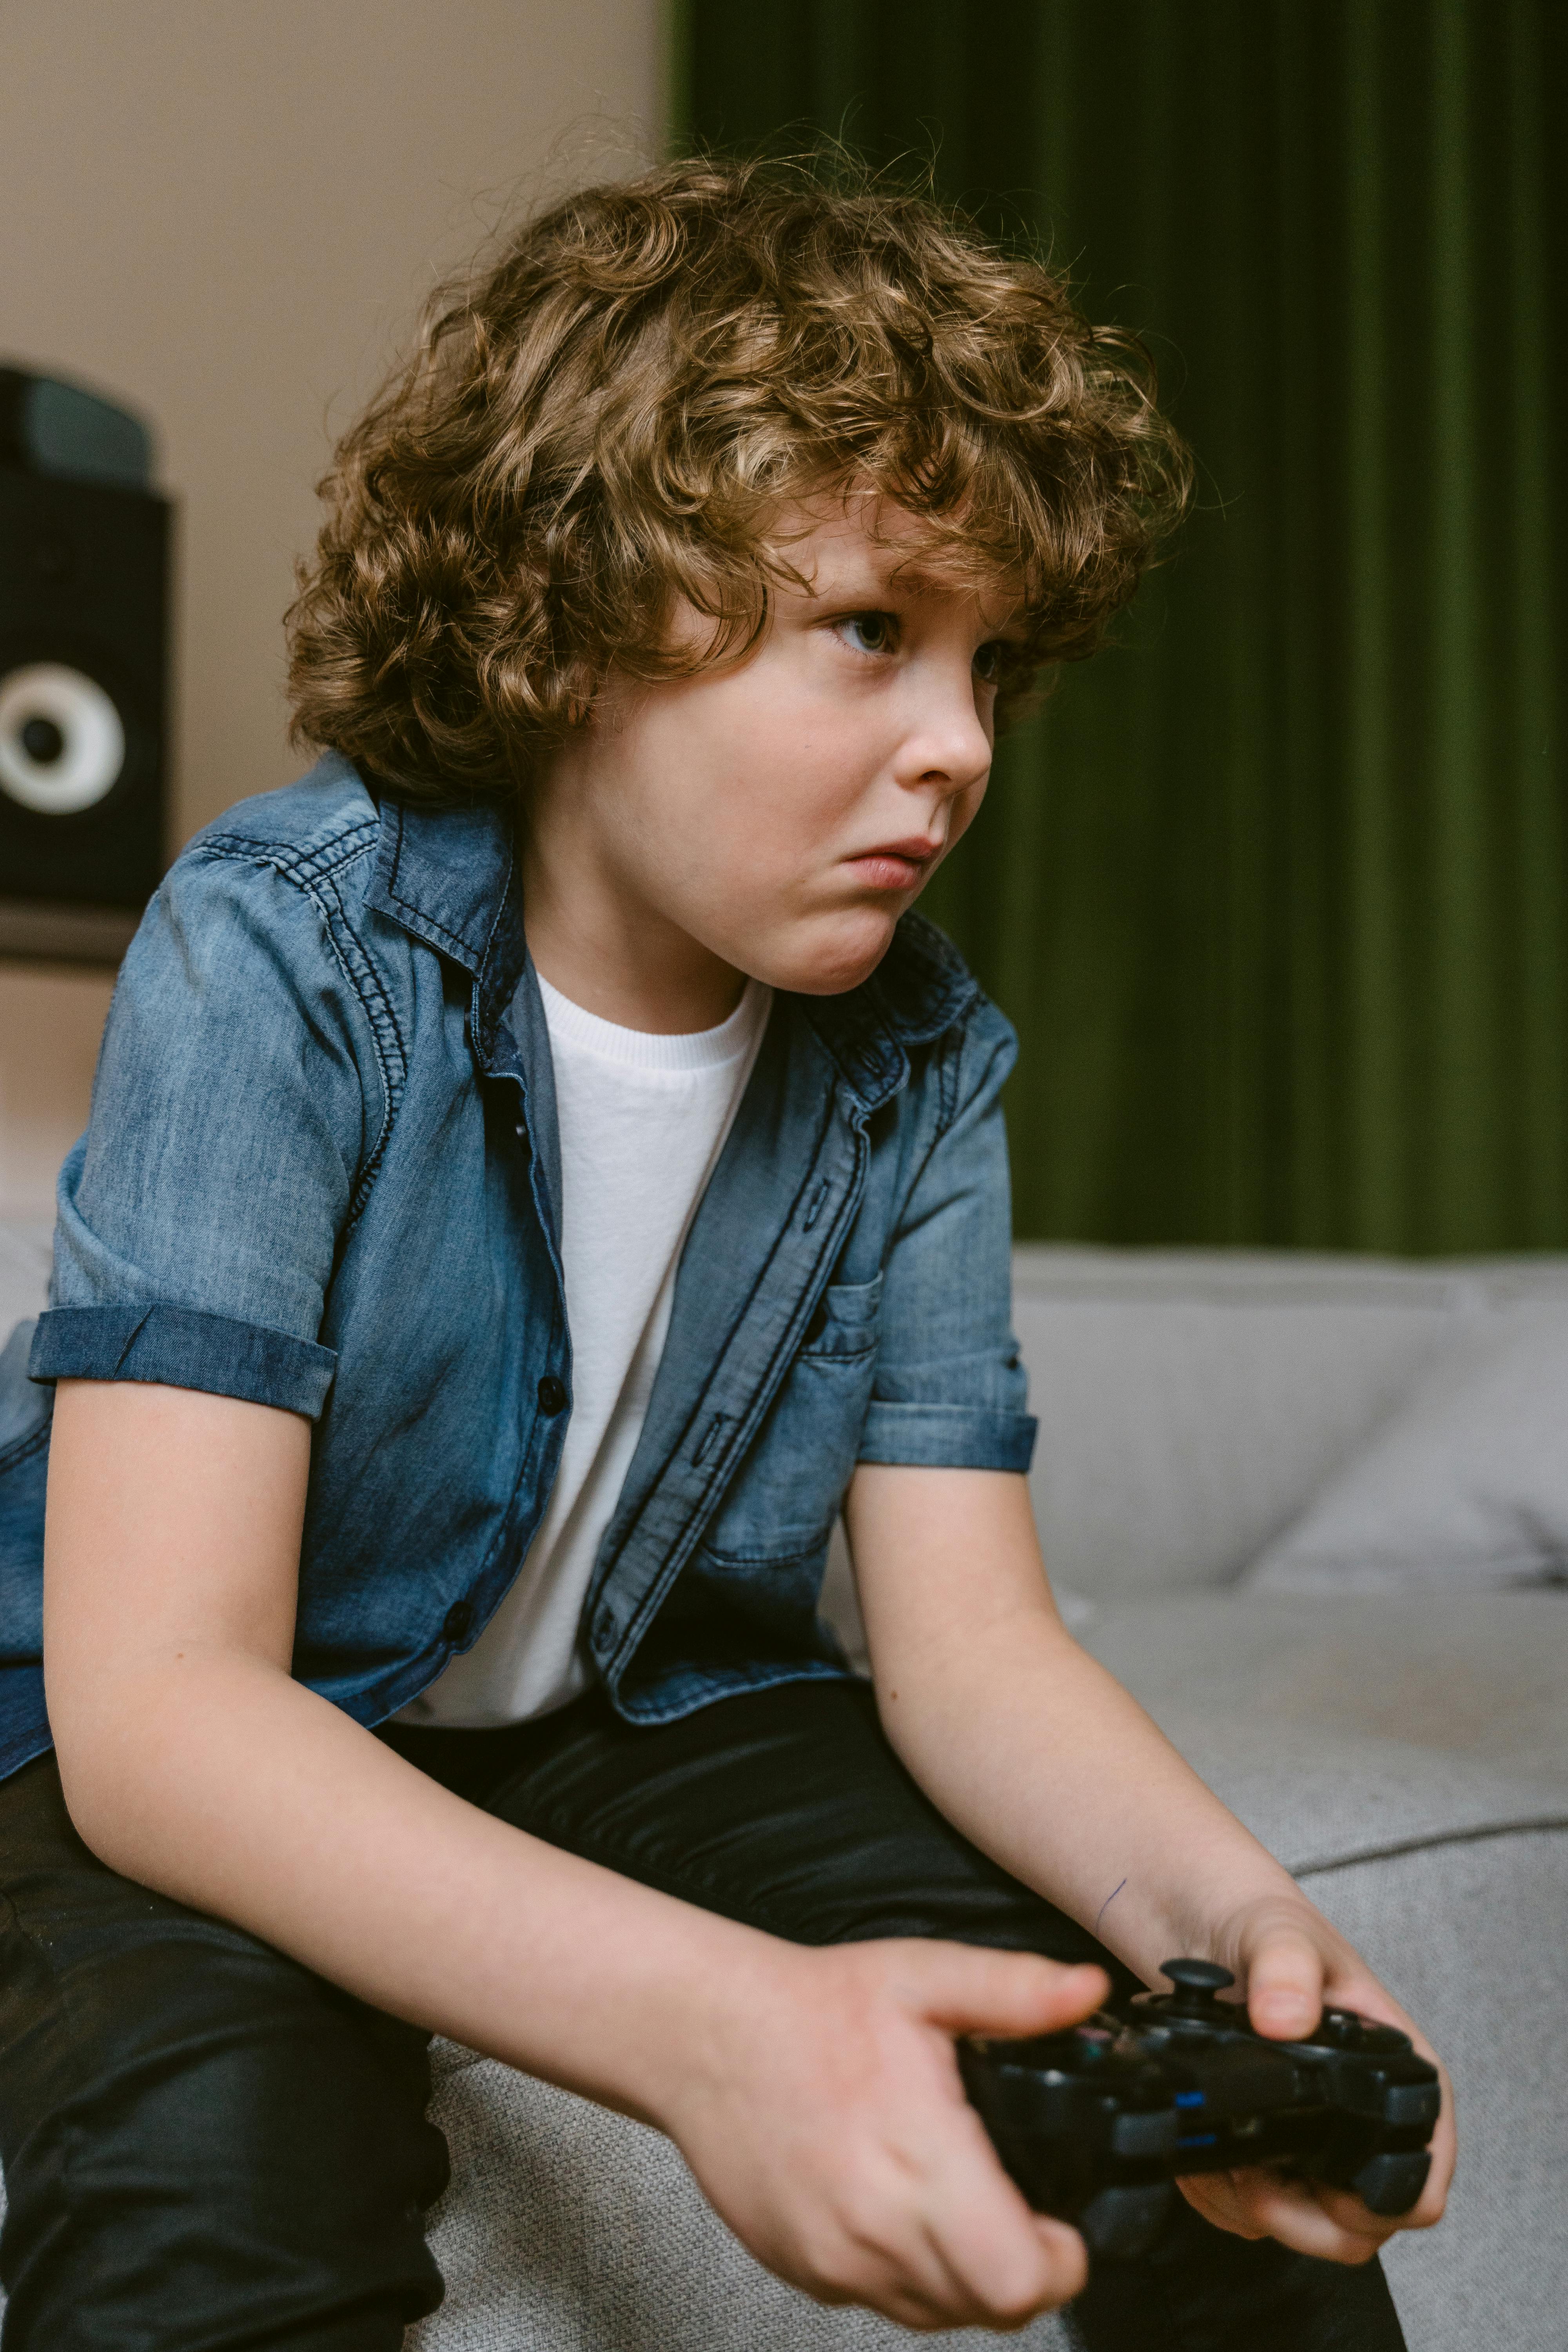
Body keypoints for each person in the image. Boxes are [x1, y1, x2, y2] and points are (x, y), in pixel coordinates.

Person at [0, 156, 1451, 2348]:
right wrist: (714, 2025)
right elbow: (159, 1707)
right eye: (874, 627)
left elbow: (970, 1646)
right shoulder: (288, 946)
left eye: (992, 661)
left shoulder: (920, 1049)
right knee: (210, 2175)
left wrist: (1228, 1917)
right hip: (236, 1716)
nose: (960, 745)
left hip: (632, 1710)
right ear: (581, 605)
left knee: (1154, 2098)